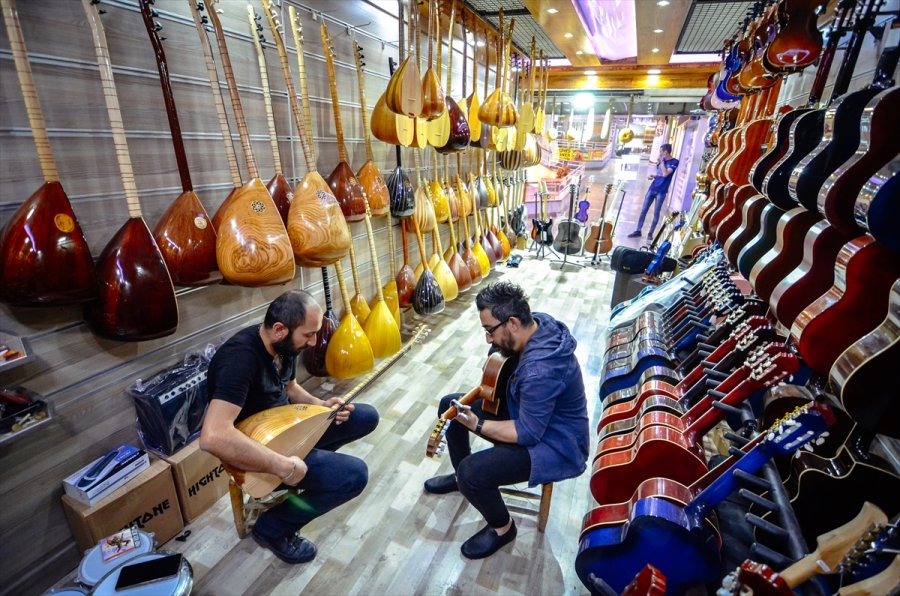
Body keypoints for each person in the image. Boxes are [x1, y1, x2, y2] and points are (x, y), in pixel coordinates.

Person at [200, 290, 378, 564]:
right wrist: (283, 467)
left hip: (285, 426)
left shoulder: (284, 345)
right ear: (280, 329)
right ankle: (272, 528)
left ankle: (309, 470)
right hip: (258, 447)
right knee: (354, 475)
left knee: (366, 416)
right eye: (308, 335)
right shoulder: (239, 360)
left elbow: (290, 387)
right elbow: (213, 437)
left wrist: (321, 406)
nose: (314, 341)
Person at [423, 282, 589, 559]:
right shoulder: (538, 323)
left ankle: (503, 527)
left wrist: (477, 424)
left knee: (472, 471)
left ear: (512, 322)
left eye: (490, 331)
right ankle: (461, 480)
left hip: (555, 444)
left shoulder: (540, 371)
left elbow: (527, 433)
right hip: (528, 412)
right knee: (450, 405)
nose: (488, 339)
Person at [628, 143, 679, 238]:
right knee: (644, 210)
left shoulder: (674, 162)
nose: (659, 154)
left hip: (662, 191)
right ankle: (638, 230)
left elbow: (665, 174)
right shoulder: (660, 161)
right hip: (652, 188)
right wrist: (653, 176)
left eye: (661, 152)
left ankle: (650, 233)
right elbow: (660, 174)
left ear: (666, 152)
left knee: (656, 212)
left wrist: (662, 162)